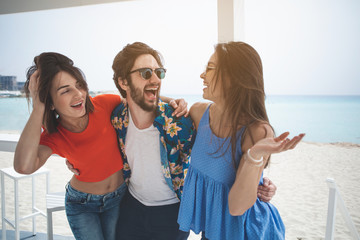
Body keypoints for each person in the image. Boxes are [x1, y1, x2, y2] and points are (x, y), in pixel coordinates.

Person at [110, 42, 279, 240]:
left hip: (230, 226)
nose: (155, 79)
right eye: (146, 73)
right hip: (191, 225)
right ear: (124, 82)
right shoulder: (118, 117)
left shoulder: (254, 130)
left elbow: (236, 185)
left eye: (159, 73)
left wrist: (258, 176)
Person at [13, 52, 187, 240]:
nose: (78, 94)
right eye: (65, 90)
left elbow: (138, 98)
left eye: (79, 86)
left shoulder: (104, 104)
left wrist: (173, 102)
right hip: (81, 204)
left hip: (119, 198)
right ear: (50, 103)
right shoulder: (54, 135)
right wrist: (39, 106)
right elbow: (24, 166)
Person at [177, 41, 305, 240]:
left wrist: (254, 155)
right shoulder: (198, 112)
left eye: (210, 68)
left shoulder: (257, 131)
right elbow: (152, 105)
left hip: (246, 231)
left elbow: (237, 207)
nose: (202, 75)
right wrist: (173, 101)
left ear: (234, 77)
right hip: (212, 231)